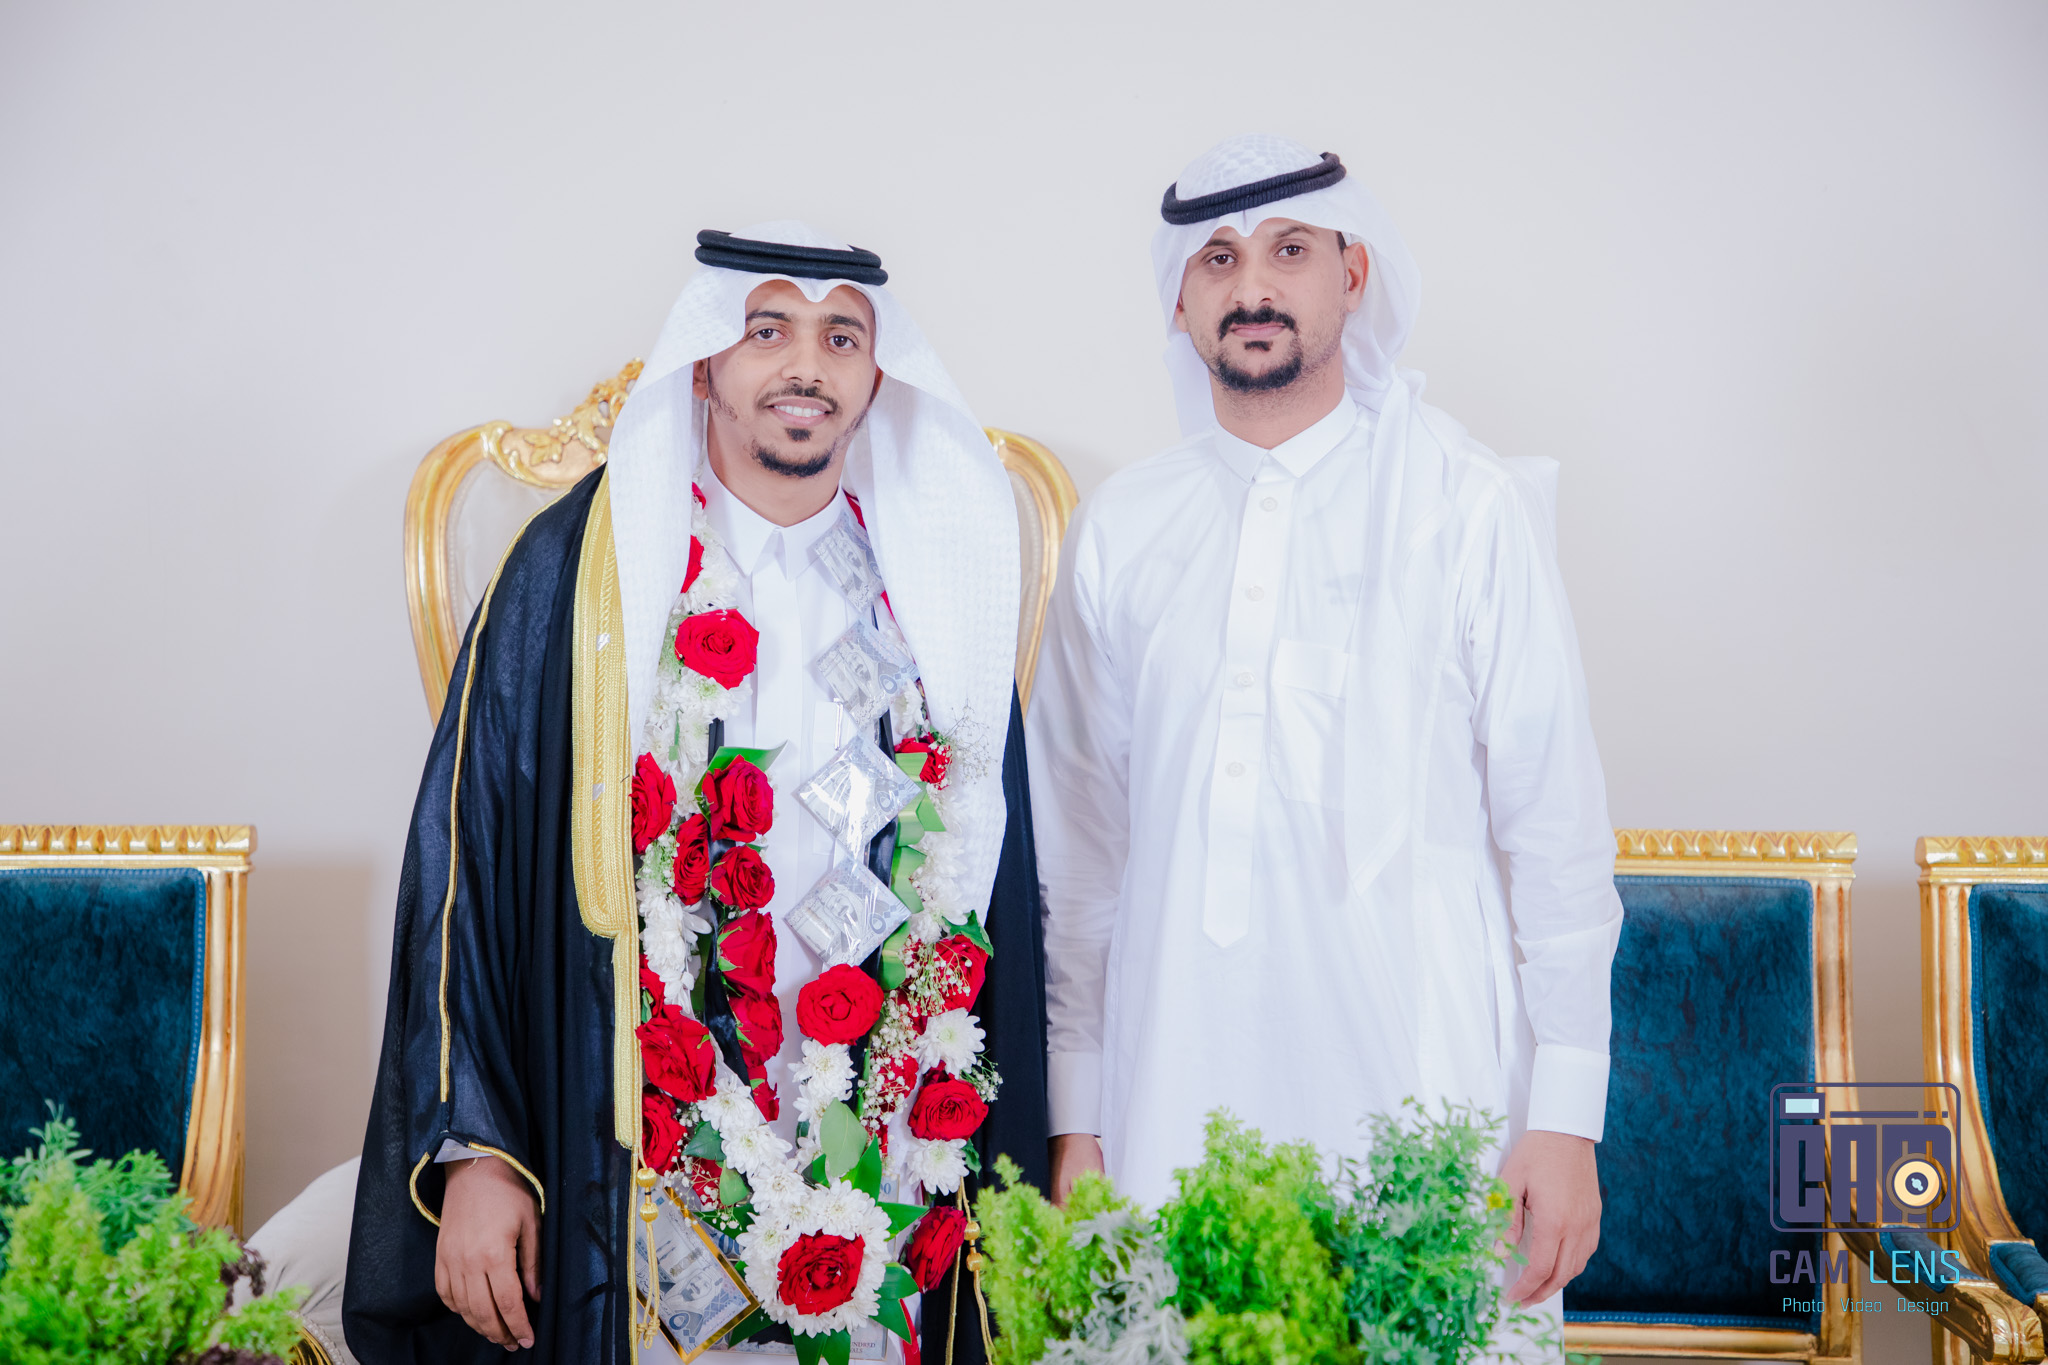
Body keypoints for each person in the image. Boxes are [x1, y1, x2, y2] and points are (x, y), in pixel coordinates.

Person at [346, 223, 1049, 1364]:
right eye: (766, 331)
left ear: (877, 380)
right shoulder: (579, 574)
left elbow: (998, 900)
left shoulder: (937, 594)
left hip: (887, 1151)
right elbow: (466, 867)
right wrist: (476, 1152)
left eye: (841, 338)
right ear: (705, 365)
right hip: (631, 1145)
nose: (805, 366)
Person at [1028, 135, 1624, 1332]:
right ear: (1179, 299)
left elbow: (1554, 832)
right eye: (1216, 259)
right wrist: (1077, 1119)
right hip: (1168, 1087)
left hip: (1420, 1082)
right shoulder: (1124, 529)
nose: (1251, 286)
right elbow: (1078, 858)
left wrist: (1564, 1118)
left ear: (1352, 276)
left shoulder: (1462, 505)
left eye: (1288, 252)